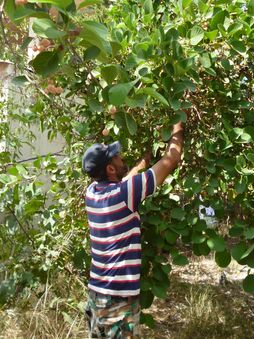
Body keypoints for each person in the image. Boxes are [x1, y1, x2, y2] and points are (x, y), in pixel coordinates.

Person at [82, 121, 184, 338]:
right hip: (116, 301)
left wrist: (144, 162)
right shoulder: (123, 195)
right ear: (110, 169)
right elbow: (172, 159)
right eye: (117, 158)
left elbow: (126, 180)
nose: (122, 159)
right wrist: (177, 124)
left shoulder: (91, 192)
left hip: (97, 293)